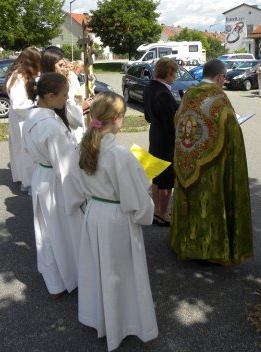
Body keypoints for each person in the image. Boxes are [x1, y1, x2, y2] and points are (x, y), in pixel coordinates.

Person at [65, 92, 158, 351]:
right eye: (123, 117)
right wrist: (145, 193)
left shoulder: (82, 146)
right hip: (117, 220)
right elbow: (135, 199)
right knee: (120, 273)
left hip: (94, 214)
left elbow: (73, 185)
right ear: (116, 118)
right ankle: (122, 323)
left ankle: (101, 318)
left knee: (99, 269)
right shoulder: (119, 154)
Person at [170, 59, 254, 264]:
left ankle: (185, 244)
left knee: (191, 203)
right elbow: (232, 134)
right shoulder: (219, 98)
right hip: (212, 168)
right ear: (220, 77)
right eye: (224, 78)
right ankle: (211, 251)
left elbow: (178, 121)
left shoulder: (189, 94)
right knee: (209, 204)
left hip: (187, 161)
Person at [22, 73, 82, 299]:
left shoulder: (34, 115)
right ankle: (67, 278)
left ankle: (54, 281)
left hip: (43, 176)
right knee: (61, 231)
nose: (67, 99)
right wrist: (79, 195)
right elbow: (65, 166)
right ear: (49, 96)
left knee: (46, 231)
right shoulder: (51, 127)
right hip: (57, 182)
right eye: (64, 95)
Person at [143, 57, 178, 226]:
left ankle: (156, 210)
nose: (175, 77)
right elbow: (173, 122)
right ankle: (163, 213)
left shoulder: (149, 87)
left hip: (155, 134)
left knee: (155, 175)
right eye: (174, 73)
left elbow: (148, 117)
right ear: (168, 73)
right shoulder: (164, 93)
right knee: (165, 179)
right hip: (166, 139)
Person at [4, 47, 41, 192]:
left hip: (20, 119)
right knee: (26, 151)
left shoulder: (21, 75)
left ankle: (25, 179)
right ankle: (29, 182)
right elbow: (18, 104)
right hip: (22, 119)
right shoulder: (19, 77)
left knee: (21, 150)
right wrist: (38, 103)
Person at [41, 48, 85, 139]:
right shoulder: (48, 87)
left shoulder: (64, 80)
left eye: (65, 66)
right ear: (50, 65)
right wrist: (81, 107)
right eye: (61, 65)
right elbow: (73, 119)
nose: (64, 69)